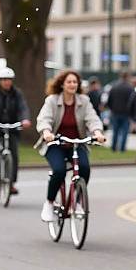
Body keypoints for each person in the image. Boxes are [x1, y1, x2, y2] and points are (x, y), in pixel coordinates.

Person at [35, 70, 105, 222]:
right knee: (59, 171)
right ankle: (49, 203)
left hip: (76, 143)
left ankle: (77, 202)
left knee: (85, 169)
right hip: (56, 143)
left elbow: (92, 119)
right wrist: (47, 132)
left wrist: (97, 132)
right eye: (69, 82)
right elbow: (44, 119)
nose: (73, 84)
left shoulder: (84, 101)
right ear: (62, 84)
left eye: (75, 82)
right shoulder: (52, 100)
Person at [107, 71, 133, 152]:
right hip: (126, 113)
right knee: (125, 131)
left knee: (115, 131)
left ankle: (114, 147)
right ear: (127, 77)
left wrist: (112, 108)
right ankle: (122, 148)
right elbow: (132, 102)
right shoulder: (130, 88)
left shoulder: (114, 87)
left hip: (115, 112)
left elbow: (109, 100)